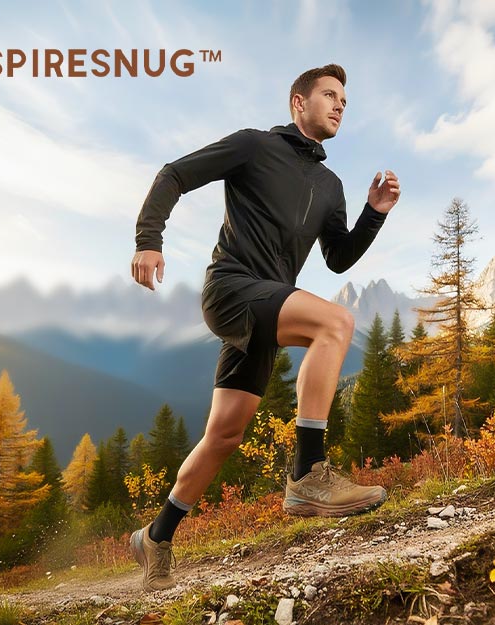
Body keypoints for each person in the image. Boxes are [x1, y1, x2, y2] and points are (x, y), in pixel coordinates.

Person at [127, 63, 401, 592]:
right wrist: (148, 238)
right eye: (329, 94)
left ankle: (155, 538)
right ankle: (308, 473)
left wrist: (373, 213)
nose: (340, 104)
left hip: (268, 307)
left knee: (224, 434)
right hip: (232, 289)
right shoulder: (254, 146)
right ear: (299, 102)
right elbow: (174, 174)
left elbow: (338, 259)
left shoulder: (330, 185)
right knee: (337, 322)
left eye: (345, 98)